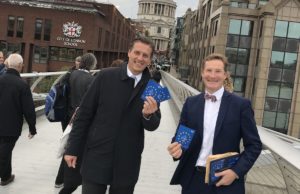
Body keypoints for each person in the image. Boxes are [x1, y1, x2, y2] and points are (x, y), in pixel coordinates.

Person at [64, 36, 161, 194]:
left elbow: (154, 125)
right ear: (129, 52)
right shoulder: (105, 76)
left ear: (150, 60)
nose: (140, 58)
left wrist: (148, 115)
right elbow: (84, 114)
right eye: (137, 52)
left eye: (145, 55)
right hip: (97, 154)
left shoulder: (153, 87)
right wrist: (72, 148)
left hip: (128, 159)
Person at [167, 53, 262, 194]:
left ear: (225, 75)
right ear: (202, 73)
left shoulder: (241, 105)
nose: (213, 75)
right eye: (209, 71)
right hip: (193, 180)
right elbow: (181, 139)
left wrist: (235, 172)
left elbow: (254, 145)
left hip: (225, 180)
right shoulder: (191, 104)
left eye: (218, 71)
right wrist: (177, 150)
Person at [57, 53, 97, 194]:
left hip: (67, 115)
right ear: (92, 64)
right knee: (73, 147)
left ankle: (60, 179)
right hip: (79, 119)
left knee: (68, 144)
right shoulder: (91, 80)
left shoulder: (71, 74)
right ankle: (64, 179)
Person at [0, 53, 37, 186]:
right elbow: (28, 109)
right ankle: (4, 177)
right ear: (21, 66)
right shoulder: (22, 85)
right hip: (12, 126)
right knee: (5, 150)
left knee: (5, 150)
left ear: (8, 64)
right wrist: (32, 128)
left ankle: (6, 176)